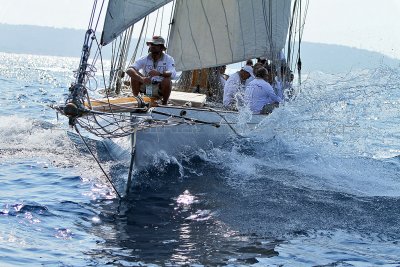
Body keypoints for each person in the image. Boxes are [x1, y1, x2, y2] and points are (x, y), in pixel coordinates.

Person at [126, 36, 176, 105]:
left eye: (156, 45)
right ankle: (137, 99)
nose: (153, 46)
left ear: (161, 47)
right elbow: (129, 70)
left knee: (167, 80)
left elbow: (172, 73)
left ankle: (164, 103)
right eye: (151, 44)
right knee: (134, 75)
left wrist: (159, 73)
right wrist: (141, 78)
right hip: (146, 85)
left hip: (159, 87)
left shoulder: (169, 59)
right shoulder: (144, 58)